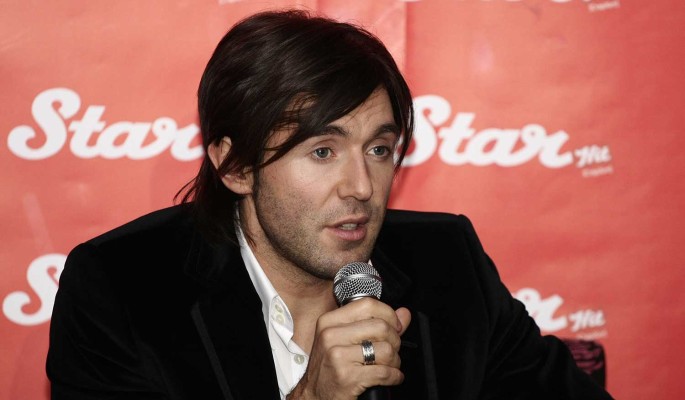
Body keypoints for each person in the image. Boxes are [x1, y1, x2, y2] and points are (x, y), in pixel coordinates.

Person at [47, 9, 613, 400]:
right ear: (235, 166)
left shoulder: (449, 265)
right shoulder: (121, 289)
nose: (362, 187)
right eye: (323, 151)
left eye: (379, 149)